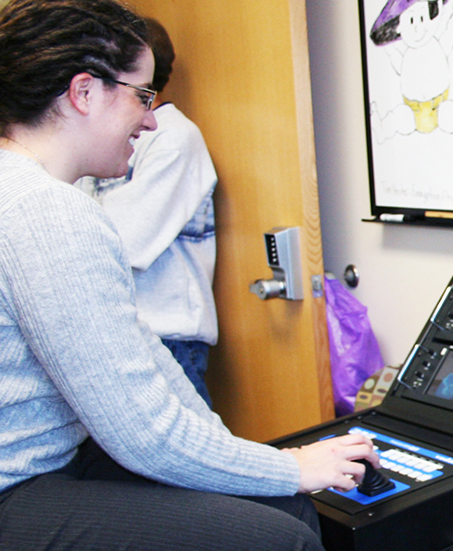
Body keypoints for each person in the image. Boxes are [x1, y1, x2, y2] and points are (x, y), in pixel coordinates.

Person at [0, 1, 378, 549]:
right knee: (280, 539)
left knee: (280, 503)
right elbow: (141, 431)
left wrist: (255, 464)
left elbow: (144, 354)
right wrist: (289, 466)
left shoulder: (35, 194)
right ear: (84, 92)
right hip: (16, 486)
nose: (151, 118)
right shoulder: (45, 211)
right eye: (142, 96)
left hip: (46, 462)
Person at [74, 16, 219, 406]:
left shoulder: (174, 137)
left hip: (168, 337)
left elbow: (125, 241)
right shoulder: (96, 139)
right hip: (118, 332)